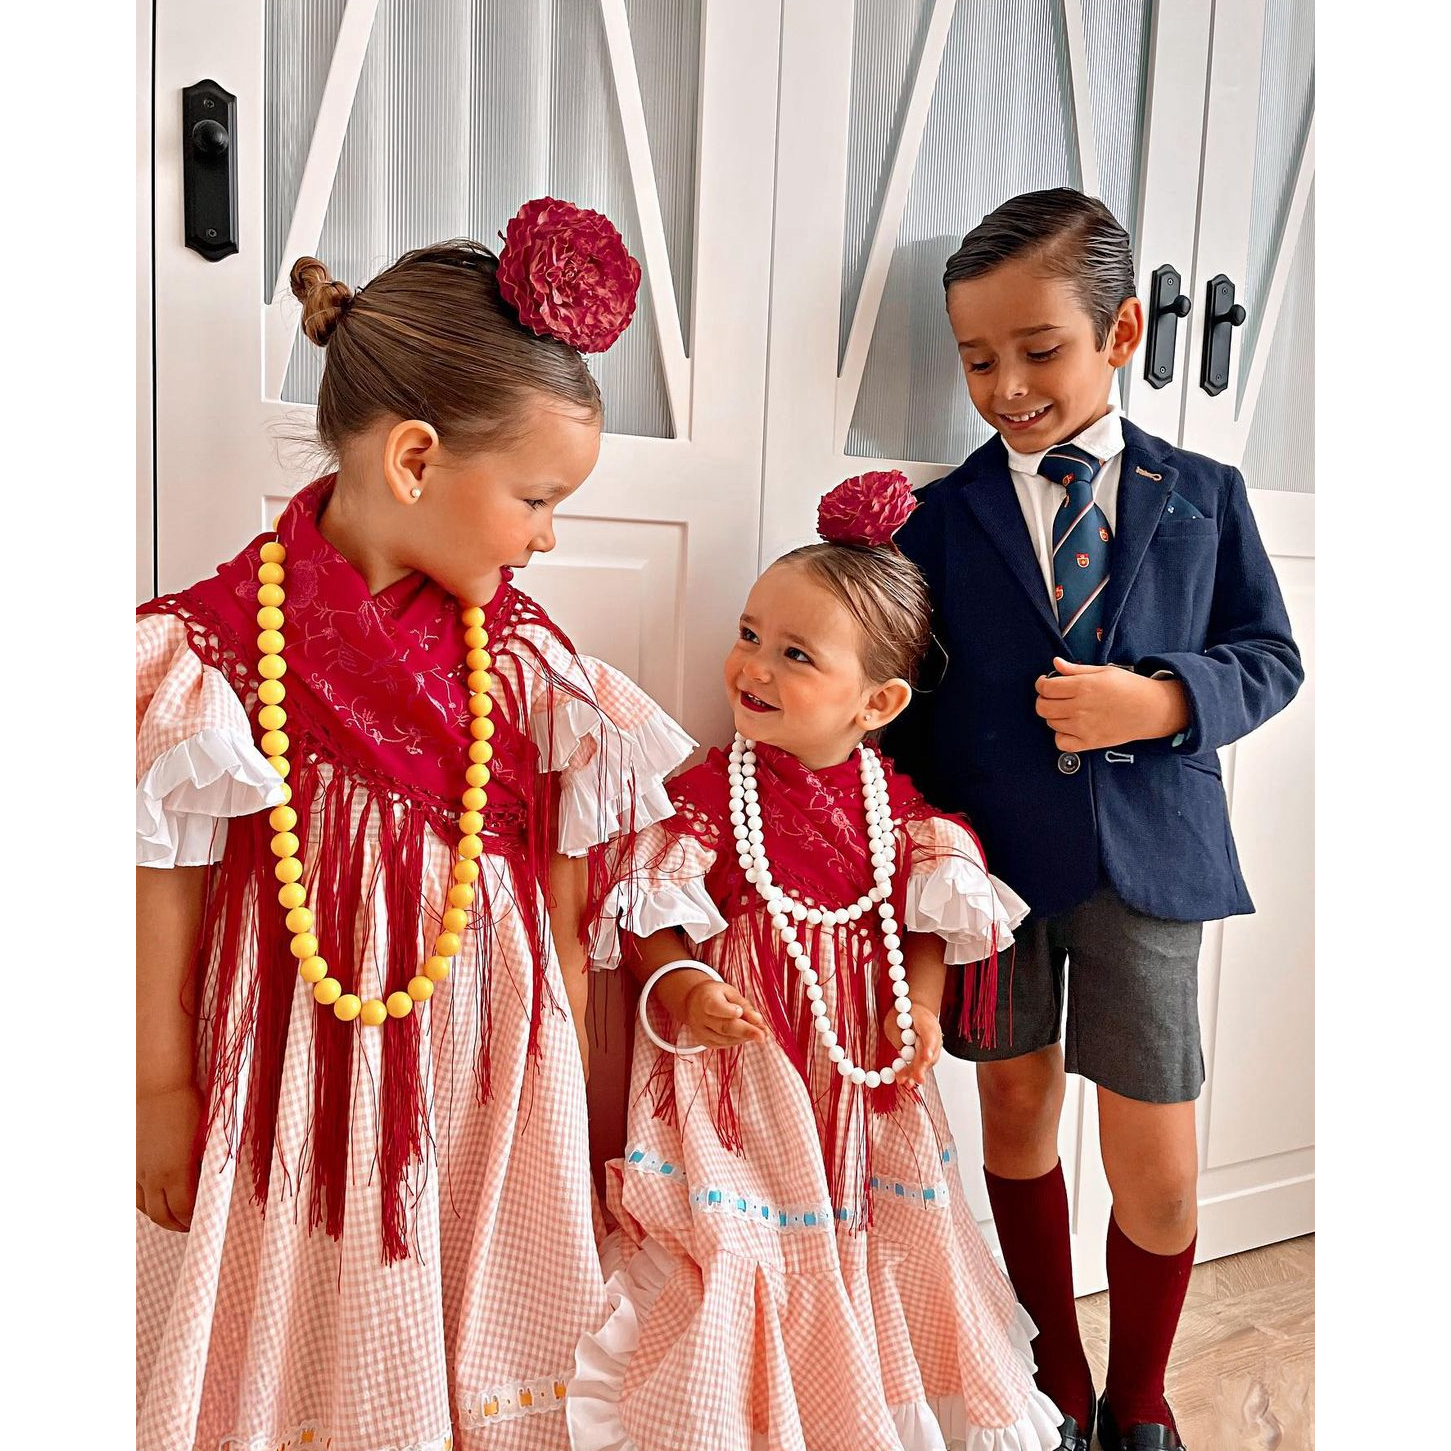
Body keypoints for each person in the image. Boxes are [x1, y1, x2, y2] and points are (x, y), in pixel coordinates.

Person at [136, 200, 693, 1451]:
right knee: (295, 1293)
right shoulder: (216, 650)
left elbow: (553, 889)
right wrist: (162, 1084)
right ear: (414, 459)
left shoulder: (525, 660)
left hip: (473, 1064)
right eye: (538, 498)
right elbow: (162, 879)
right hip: (281, 1071)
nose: (550, 535)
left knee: (466, 1315)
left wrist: (551, 1072)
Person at [883, 187, 1304, 1451]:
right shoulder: (937, 517)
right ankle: (1054, 1380)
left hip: (1152, 867)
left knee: (1159, 1168)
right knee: (1012, 1114)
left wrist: (1163, 696)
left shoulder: (1205, 493)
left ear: (1120, 332)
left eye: (1037, 349)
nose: (1005, 384)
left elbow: (1269, 658)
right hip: (993, 874)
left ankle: (1136, 1397)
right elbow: (910, 706)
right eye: (974, 358)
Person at [568, 473, 1061, 1451]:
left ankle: (849, 1403)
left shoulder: (899, 811)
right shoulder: (711, 788)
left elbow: (920, 925)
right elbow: (649, 914)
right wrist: (686, 981)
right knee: (737, 1240)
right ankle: (739, 1409)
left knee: (872, 1236)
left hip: (855, 1073)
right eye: (750, 633)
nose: (752, 665)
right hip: (741, 1068)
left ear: (874, 700)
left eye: (793, 653)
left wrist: (916, 1009)